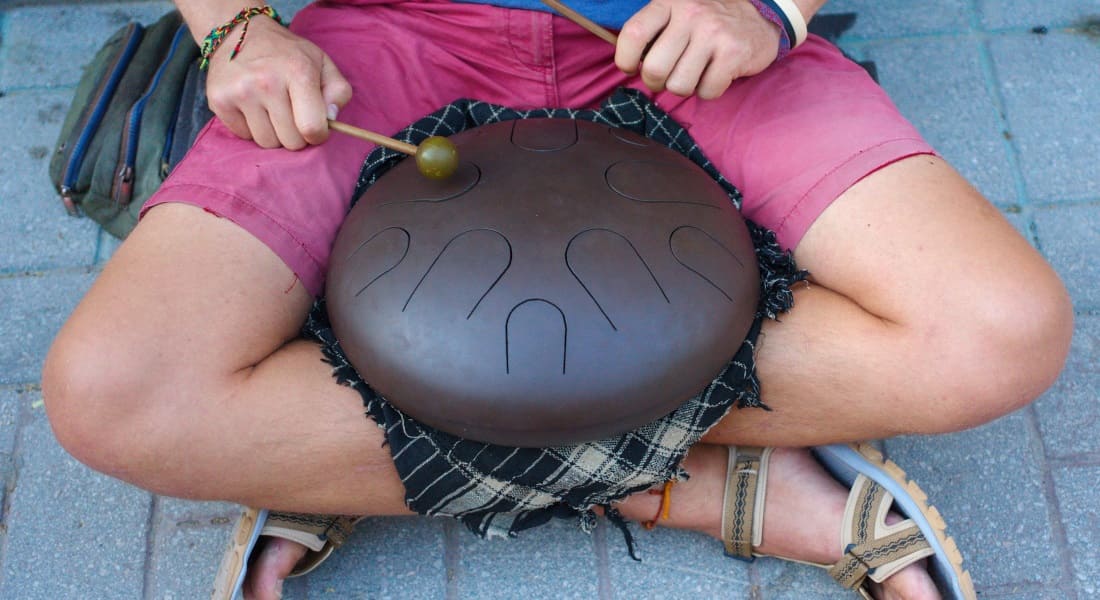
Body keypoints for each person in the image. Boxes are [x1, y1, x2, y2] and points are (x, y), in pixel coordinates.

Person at [41, 0, 1073, 598]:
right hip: (383, 38)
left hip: (687, 36)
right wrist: (235, 28)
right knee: (117, 394)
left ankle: (346, 452)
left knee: (994, 334)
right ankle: (687, 488)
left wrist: (769, 8)